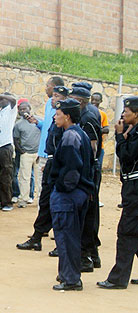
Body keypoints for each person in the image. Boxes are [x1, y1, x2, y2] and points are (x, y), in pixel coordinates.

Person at [49, 98, 94, 291]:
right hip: (80, 193)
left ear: (67, 116)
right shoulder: (80, 134)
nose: (55, 117)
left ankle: (71, 279)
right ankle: (68, 274)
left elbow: (72, 169)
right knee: (72, 236)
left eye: (58, 114)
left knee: (66, 237)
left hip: (69, 195)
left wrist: (62, 189)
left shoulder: (69, 137)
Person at [16, 86, 67, 252]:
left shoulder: (69, 127)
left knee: (58, 203)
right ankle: (37, 237)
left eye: (56, 96)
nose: (52, 99)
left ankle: (60, 243)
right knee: (45, 200)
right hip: (49, 160)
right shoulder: (54, 119)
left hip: (58, 166)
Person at [97, 96, 138, 289]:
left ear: (136, 114)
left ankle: (118, 278)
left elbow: (127, 156)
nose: (122, 115)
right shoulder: (134, 130)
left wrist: (121, 136)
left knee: (126, 233)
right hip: (132, 188)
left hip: (135, 191)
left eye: (126, 112)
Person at [69, 86, 102, 272]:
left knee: (88, 214)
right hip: (87, 170)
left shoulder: (88, 116)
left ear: (81, 101)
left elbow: (92, 148)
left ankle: (87, 257)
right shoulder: (86, 112)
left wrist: (84, 174)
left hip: (88, 171)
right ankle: (93, 255)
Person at [13, 100, 40, 208]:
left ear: (30, 108)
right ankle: (23, 199)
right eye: (21, 109)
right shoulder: (18, 125)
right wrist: (22, 151)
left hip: (38, 154)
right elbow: (15, 139)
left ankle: (40, 200)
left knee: (40, 178)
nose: (23, 111)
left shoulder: (38, 121)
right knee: (24, 177)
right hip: (26, 154)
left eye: (25, 108)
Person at [0, 93, 17, 211]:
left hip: (6, 146)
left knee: (6, 175)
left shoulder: (11, 110)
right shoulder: (0, 112)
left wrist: (3, 95)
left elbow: (13, 100)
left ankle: (7, 202)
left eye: (1, 100)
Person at [91, 92, 109, 207]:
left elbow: (106, 129)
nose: (94, 102)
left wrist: (96, 130)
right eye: (93, 99)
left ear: (100, 101)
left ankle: (96, 197)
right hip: (88, 147)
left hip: (99, 148)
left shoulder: (102, 114)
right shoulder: (86, 112)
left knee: (97, 173)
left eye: (97, 100)